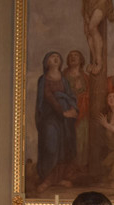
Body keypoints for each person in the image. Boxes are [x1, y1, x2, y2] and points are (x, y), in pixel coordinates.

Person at [35, 51, 78, 193]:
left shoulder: (64, 80)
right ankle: (47, 179)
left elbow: (70, 96)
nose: (56, 58)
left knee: (64, 147)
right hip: (50, 117)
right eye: (52, 57)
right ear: (47, 62)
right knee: (51, 145)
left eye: (58, 57)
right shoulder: (44, 79)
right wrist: (62, 112)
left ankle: (59, 178)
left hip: (64, 120)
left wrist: (73, 109)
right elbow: (48, 97)